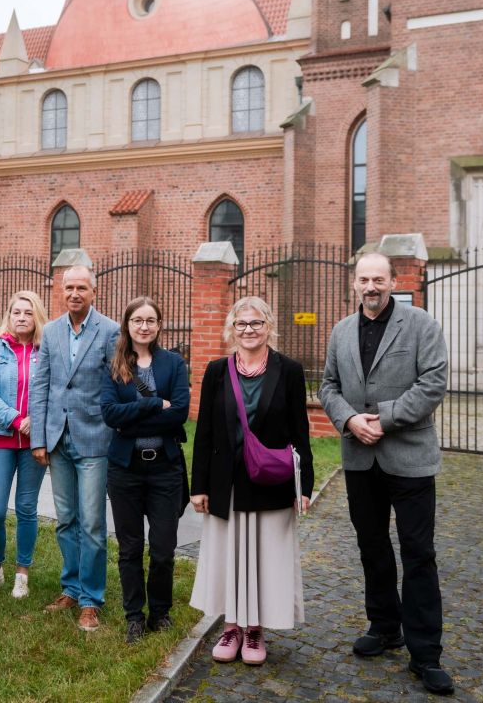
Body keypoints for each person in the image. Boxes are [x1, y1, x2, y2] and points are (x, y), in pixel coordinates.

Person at [319, 252, 452, 695]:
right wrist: (350, 420)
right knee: (371, 546)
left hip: (409, 458)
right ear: (353, 284)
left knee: (418, 552)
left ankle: (425, 653)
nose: (371, 287)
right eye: (363, 280)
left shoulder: (421, 325)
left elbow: (433, 381)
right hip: (360, 458)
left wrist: (384, 418)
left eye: (378, 279)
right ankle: (384, 625)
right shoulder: (341, 331)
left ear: (393, 281)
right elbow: (328, 386)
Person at [189, 296, 313, 667]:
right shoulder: (216, 371)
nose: (248, 330)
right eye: (241, 324)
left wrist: (303, 485)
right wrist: (199, 486)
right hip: (226, 481)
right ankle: (231, 626)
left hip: (270, 480)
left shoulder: (289, 371)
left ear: (269, 326)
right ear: (232, 328)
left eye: (256, 323)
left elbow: (301, 432)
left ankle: (255, 629)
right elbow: (205, 431)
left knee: (265, 556)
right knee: (229, 555)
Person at [29, 265, 120, 632]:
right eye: (69, 288)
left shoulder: (110, 330)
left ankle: (91, 599)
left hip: (95, 439)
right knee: (66, 519)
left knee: (93, 522)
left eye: (82, 287)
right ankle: (70, 587)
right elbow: (41, 386)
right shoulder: (50, 331)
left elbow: (118, 383)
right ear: (61, 292)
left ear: (93, 292)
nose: (75, 294)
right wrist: (38, 438)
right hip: (56, 439)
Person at [100, 297, 189, 644]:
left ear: (159, 325)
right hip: (125, 470)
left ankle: (161, 612)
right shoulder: (116, 365)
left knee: (164, 547)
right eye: (137, 320)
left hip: (165, 468)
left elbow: (179, 413)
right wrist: (153, 404)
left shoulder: (174, 364)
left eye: (151, 320)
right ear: (127, 325)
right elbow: (110, 414)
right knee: (130, 546)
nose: (144, 326)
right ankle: (135, 615)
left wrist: (132, 415)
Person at [0, 290, 49, 600]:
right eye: (16, 312)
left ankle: (22, 574)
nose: (21, 317)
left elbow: (55, 391)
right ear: (9, 315)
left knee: (27, 508)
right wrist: (17, 419)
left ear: (37, 317)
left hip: (35, 443)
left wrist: (36, 421)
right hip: (1, 437)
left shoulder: (47, 350)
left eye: (28, 313)